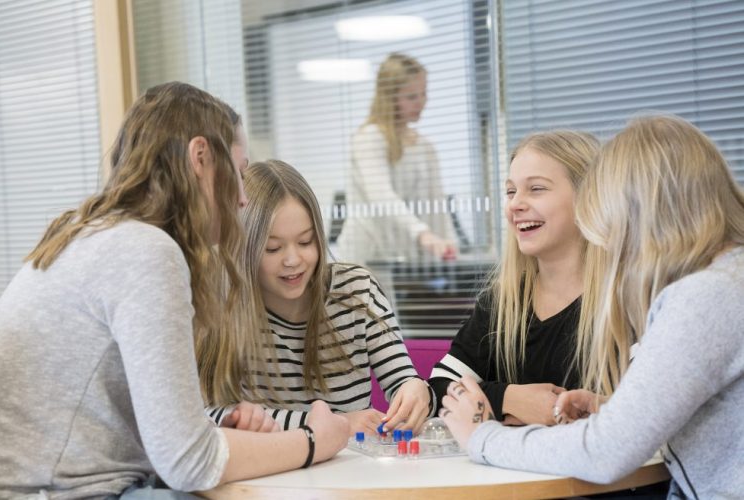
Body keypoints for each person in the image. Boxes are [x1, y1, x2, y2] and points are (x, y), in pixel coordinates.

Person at [0, 82, 349, 499]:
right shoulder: (144, 251)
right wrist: (314, 441)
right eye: (239, 174)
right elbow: (188, 463)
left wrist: (215, 435)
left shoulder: (91, 234)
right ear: (200, 157)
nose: (242, 198)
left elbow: (170, 445)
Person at [441, 115, 744, 499]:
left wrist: (482, 437)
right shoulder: (726, 282)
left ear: (644, 210)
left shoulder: (706, 297)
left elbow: (606, 452)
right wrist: (612, 412)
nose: (611, 240)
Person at [206, 159, 432, 435]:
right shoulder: (223, 306)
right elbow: (210, 414)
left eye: (306, 242)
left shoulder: (356, 290)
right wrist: (334, 425)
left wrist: (416, 390)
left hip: (351, 461)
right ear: (244, 249)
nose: (293, 260)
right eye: (273, 248)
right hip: (273, 461)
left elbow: (403, 382)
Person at [429, 130, 601, 425]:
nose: (515, 204)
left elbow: (644, 410)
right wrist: (510, 399)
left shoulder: (625, 301)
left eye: (536, 189)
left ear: (588, 197)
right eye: (511, 192)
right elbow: (438, 391)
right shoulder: (502, 302)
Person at [336, 53, 457, 265]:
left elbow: (437, 203)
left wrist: (449, 243)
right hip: (367, 252)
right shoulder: (369, 138)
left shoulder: (425, 147)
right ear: (389, 98)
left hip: (402, 256)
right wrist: (422, 233)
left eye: (423, 93)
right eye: (411, 97)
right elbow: (380, 195)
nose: (421, 102)